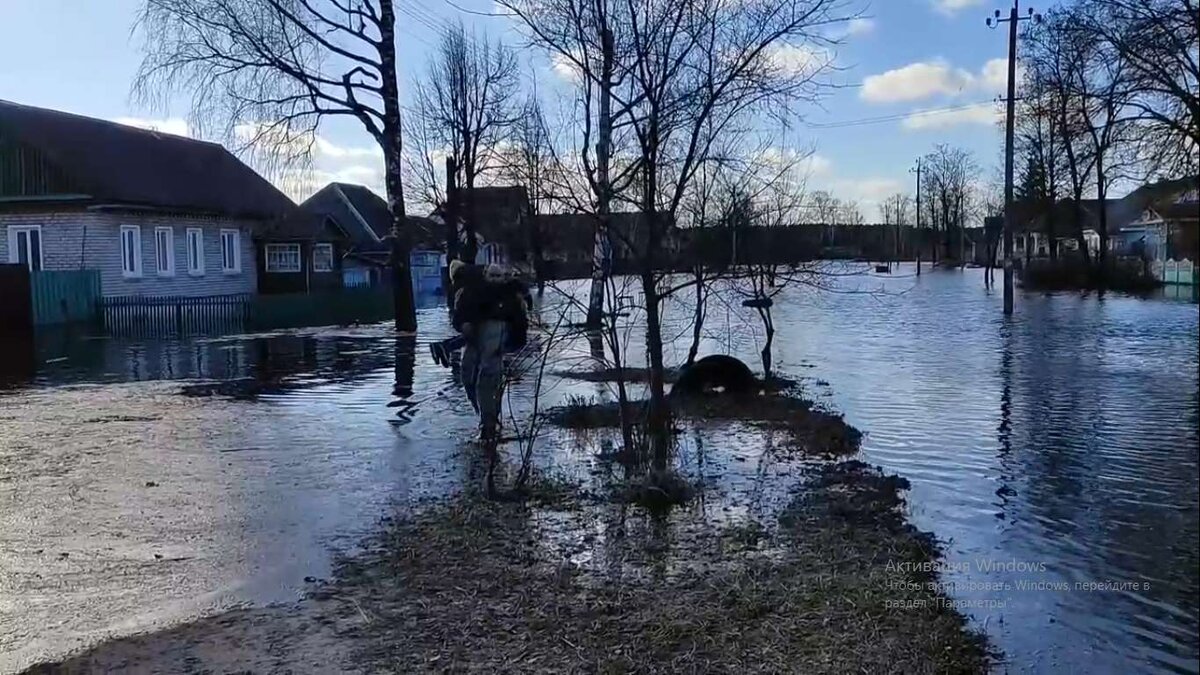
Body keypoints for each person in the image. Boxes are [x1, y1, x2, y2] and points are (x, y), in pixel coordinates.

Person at [451, 261, 529, 440]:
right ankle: (486, 416)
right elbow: (459, 315)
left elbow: (520, 323)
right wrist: (463, 325)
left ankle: (489, 426)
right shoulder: (471, 292)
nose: (495, 280)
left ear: (503, 278)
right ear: (485, 275)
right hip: (474, 337)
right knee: (467, 375)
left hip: (496, 339)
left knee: (487, 379)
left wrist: (513, 343)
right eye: (491, 276)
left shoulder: (511, 295)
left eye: (498, 276)